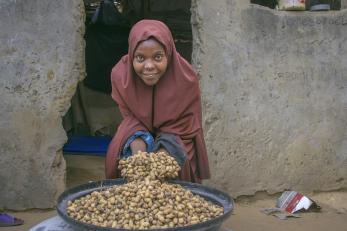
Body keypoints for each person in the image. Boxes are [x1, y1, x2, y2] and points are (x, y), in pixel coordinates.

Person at [105, 19, 210, 183]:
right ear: (131, 55)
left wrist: (162, 158)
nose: (149, 66)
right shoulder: (121, 76)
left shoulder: (186, 79)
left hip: (177, 137)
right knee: (126, 158)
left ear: (168, 55)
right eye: (140, 58)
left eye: (158, 57)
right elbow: (131, 120)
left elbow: (186, 127)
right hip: (139, 134)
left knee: (171, 175)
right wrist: (140, 156)